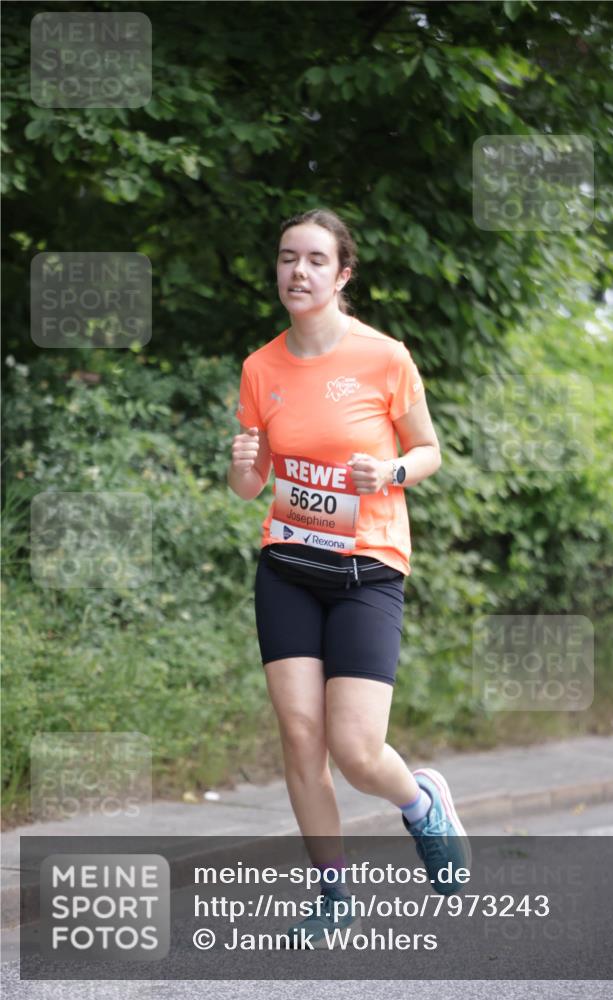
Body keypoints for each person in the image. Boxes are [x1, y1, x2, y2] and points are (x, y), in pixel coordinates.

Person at [228, 208, 471, 947]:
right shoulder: (260, 367)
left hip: (367, 569)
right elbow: (253, 484)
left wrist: (391, 469)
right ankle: (334, 894)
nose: (295, 272)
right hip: (289, 566)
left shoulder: (384, 357)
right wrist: (243, 473)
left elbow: (428, 450)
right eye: (285, 259)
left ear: (341, 274)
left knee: (357, 750)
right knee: (300, 737)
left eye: (312, 260)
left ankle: (421, 800)